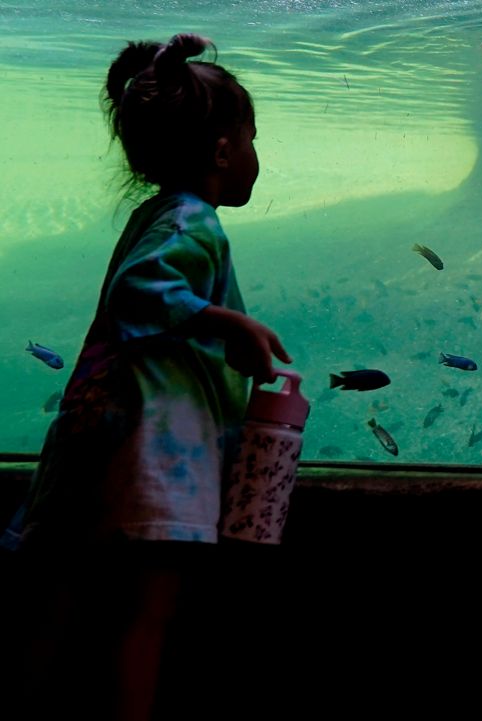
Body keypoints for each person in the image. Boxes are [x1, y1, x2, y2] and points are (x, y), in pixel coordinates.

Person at [5, 33, 290, 720]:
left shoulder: (157, 213)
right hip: (153, 460)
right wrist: (229, 324)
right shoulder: (194, 222)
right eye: (253, 138)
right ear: (223, 150)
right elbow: (140, 290)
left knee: (63, 600)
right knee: (147, 616)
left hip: (102, 440)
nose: (259, 155)